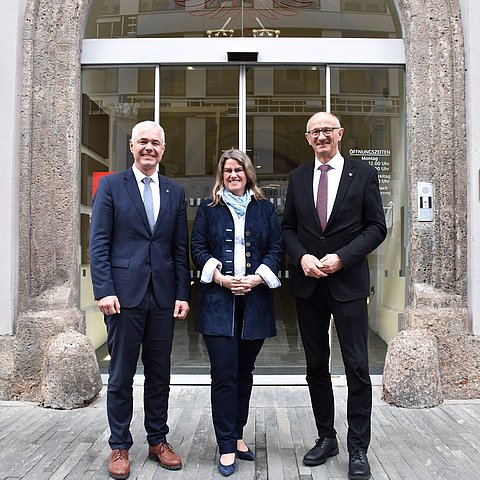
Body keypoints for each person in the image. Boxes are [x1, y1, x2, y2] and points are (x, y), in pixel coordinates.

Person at [282, 112, 387, 480]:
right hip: (310, 285)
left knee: (358, 366)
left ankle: (358, 447)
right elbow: (288, 229)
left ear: (340, 134)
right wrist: (302, 256)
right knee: (315, 367)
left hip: (348, 285)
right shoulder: (296, 178)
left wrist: (343, 257)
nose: (322, 136)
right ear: (307, 138)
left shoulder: (363, 174)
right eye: (315, 132)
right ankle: (326, 437)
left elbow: (377, 228)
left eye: (328, 130)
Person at [89, 120, 190, 480]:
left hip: (162, 297)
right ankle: (119, 444)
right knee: (120, 375)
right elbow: (98, 243)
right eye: (143, 142)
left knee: (160, 374)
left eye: (156, 143)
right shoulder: (112, 186)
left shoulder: (174, 192)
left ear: (164, 149)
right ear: (132, 147)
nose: (149, 148)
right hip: (123, 296)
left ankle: (158, 440)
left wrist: (182, 293)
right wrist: (103, 290)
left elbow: (180, 248)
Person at [190, 149, 283, 477]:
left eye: (238, 170)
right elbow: (197, 248)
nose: (233, 175)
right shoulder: (209, 209)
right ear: (221, 175)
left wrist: (258, 278)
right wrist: (220, 276)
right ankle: (226, 444)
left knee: (245, 373)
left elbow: (276, 248)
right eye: (228, 170)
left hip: (254, 304)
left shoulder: (265, 209)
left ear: (248, 174)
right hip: (218, 303)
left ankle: (238, 433)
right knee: (224, 375)